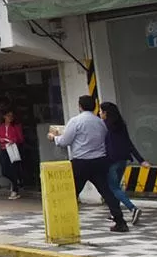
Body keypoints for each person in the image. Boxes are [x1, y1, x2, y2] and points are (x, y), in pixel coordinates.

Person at [50, 96, 127, 233]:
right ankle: (120, 221)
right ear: (94, 106)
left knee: (71, 193)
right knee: (107, 192)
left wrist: (54, 138)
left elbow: (65, 141)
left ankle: (66, 223)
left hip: (81, 162)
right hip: (99, 161)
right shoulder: (100, 122)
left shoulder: (75, 121)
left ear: (80, 106)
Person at [101, 102, 147, 227]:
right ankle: (116, 213)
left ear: (105, 113)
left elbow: (105, 145)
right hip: (123, 160)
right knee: (116, 187)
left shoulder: (104, 126)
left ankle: (133, 209)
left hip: (111, 161)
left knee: (113, 188)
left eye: (101, 111)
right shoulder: (121, 125)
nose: (100, 114)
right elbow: (129, 143)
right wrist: (141, 160)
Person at [0, 110, 26, 200]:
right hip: (4, 149)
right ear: (4, 117)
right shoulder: (0, 127)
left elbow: (20, 138)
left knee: (13, 168)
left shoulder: (15, 127)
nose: (10, 118)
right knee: (4, 170)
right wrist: (1, 140)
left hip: (12, 149)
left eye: (11, 116)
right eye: (8, 116)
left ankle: (15, 189)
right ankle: (15, 182)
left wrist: (13, 140)